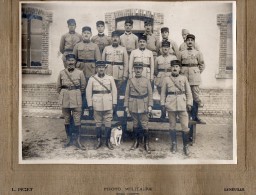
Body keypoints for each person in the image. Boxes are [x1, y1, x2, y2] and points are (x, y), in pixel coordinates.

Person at [160, 60, 193, 156]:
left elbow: (188, 92)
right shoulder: (166, 79)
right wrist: (162, 104)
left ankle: (185, 146)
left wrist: (189, 103)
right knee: (172, 126)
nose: (175, 68)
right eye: (173, 66)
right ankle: (174, 144)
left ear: (180, 68)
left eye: (177, 66)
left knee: (185, 126)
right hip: (171, 104)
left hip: (182, 104)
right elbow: (163, 93)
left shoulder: (184, 78)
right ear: (171, 68)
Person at [56, 54, 86, 150]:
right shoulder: (61, 73)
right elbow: (58, 87)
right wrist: (65, 94)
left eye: (72, 60)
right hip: (65, 98)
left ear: (75, 62)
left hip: (76, 98)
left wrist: (75, 93)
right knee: (67, 119)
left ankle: (77, 140)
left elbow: (83, 87)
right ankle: (68, 139)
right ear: (66, 62)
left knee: (77, 120)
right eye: (69, 60)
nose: (70, 62)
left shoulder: (80, 73)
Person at [86, 60, 117, 150]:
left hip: (108, 102)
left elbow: (114, 91)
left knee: (108, 123)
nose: (101, 69)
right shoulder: (92, 79)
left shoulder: (110, 78)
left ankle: (107, 141)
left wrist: (114, 102)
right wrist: (90, 104)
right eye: (99, 67)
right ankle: (99, 141)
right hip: (97, 103)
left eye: (102, 67)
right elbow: (88, 92)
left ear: (105, 68)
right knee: (98, 123)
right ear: (96, 68)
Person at [124, 62, 153, 154]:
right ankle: (136, 142)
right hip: (133, 104)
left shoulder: (146, 80)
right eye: (136, 68)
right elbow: (127, 94)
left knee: (145, 125)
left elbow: (150, 94)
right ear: (134, 70)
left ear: (142, 70)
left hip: (144, 104)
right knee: (135, 124)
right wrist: (126, 106)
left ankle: (146, 143)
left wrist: (150, 105)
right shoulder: (130, 80)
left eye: (139, 69)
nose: (138, 70)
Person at [177, 34, 206, 124]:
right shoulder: (181, 53)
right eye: (188, 40)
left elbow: (202, 65)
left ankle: (195, 116)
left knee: (195, 97)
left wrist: (196, 72)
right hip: (184, 76)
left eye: (191, 40)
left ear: (194, 42)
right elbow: (179, 64)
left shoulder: (198, 53)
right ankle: (186, 116)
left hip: (194, 78)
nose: (189, 42)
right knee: (185, 96)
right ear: (186, 42)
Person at [73, 26, 101, 115]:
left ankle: (91, 111)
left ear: (91, 35)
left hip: (91, 71)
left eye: (88, 33)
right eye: (84, 33)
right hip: (80, 70)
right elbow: (73, 59)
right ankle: (79, 111)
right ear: (82, 34)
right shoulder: (77, 45)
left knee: (91, 91)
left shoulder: (95, 46)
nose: (86, 34)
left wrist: (97, 73)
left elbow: (98, 61)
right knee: (80, 91)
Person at [102, 31, 129, 115]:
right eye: (113, 37)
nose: (115, 39)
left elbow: (126, 63)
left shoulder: (123, 49)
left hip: (119, 75)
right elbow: (102, 62)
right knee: (107, 92)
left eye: (117, 37)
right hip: (108, 73)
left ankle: (115, 111)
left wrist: (124, 75)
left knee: (116, 93)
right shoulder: (106, 48)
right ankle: (107, 111)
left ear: (119, 39)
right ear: (111, 38)